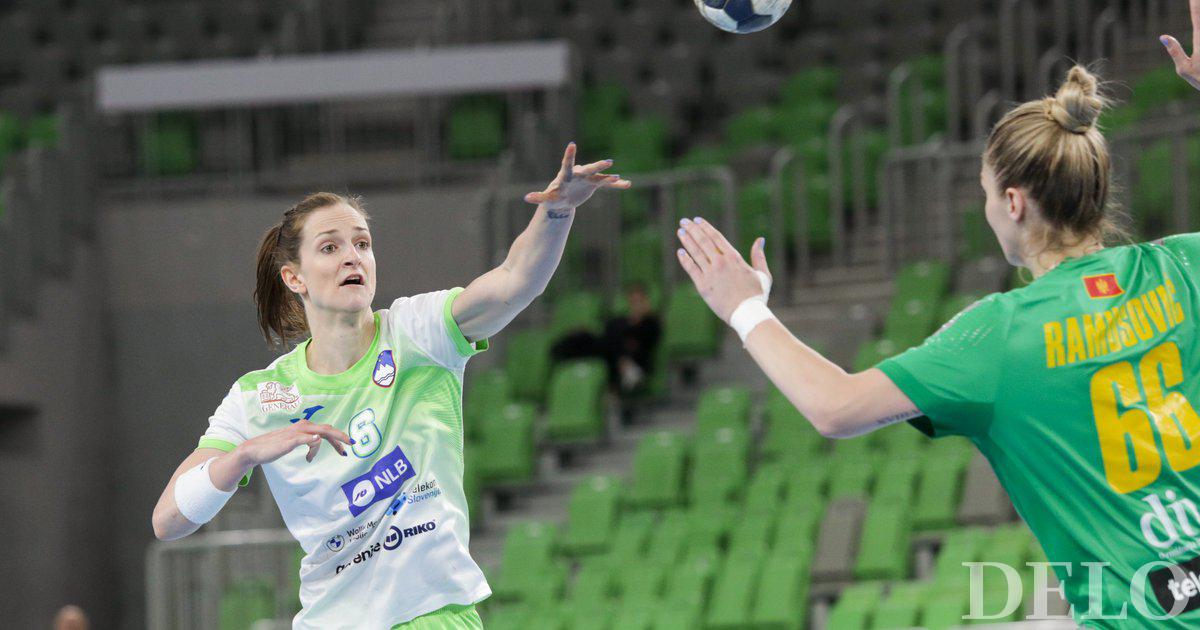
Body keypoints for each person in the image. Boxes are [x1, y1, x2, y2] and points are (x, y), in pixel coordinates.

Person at [675, 28, 1200, 629]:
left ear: (1012, 203)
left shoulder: (998, 336)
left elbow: (834, 407)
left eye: (982, 194)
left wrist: (745, 308)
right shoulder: (1186, 267)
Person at [150, 143, 630, 629]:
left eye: (362, 243)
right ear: (294, 277)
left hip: (430, 615)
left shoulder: (417, 333)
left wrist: (558, 209)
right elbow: (168, 521)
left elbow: (514, 281)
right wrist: (244, 455)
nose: (351, 257)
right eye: (330, 247)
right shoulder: (259, 397)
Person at [549, 282, 662, 394]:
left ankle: (627, 368)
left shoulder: (650, 322)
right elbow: (607, 333)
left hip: (635, 358)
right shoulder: (619, 320)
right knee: (584, 336)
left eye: (639, 301)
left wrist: (640, 319)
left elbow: (646, 342)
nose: (636, 305)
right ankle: (561, 353)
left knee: (612, 342)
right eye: (633, 301)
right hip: (610, 353)